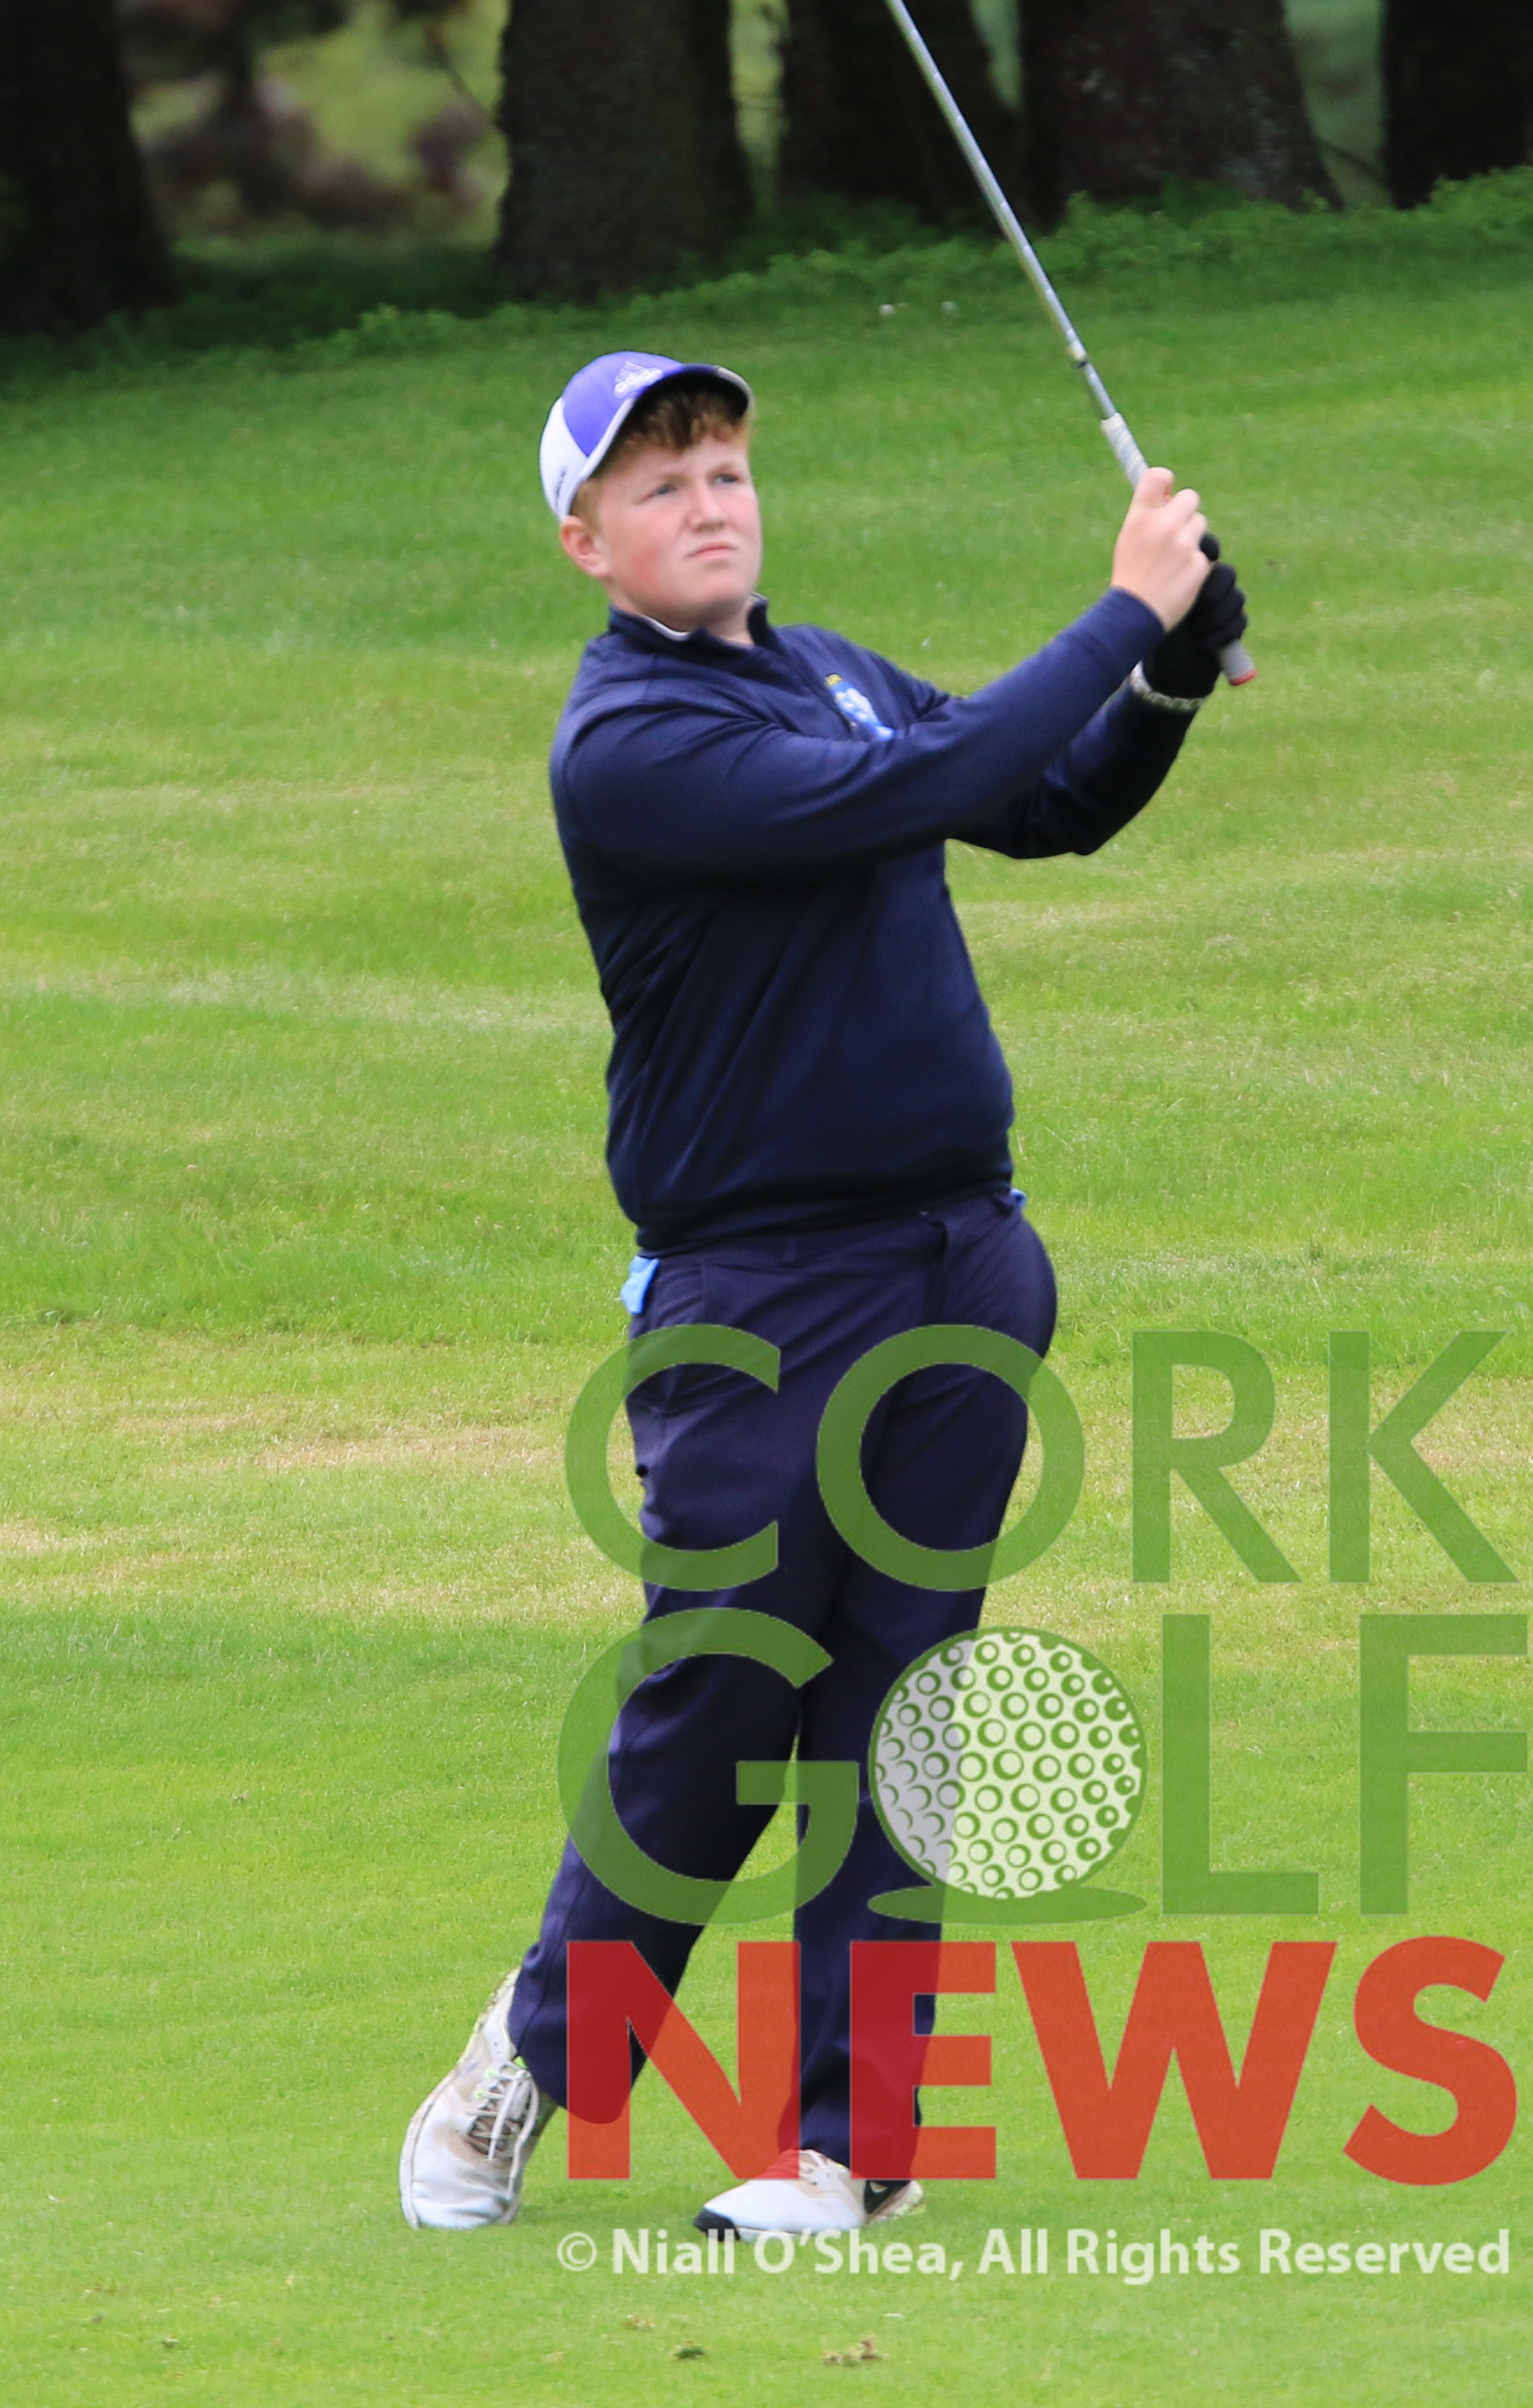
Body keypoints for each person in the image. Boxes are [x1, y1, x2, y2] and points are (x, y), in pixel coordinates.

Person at [398, 347, 1246, 2237]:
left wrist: (1169, 677)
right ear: (586, 544)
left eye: (722, 467)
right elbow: (921, 785)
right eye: (658, 485)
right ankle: (540, 2049)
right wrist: (1126, 606)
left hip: (956, 1261)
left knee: (897, 1706)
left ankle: (850, 2152)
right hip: (757, 1296)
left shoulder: (831, 669)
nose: (708, 503)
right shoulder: (630, 739)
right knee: (718, 1696)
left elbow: (1045, 801)